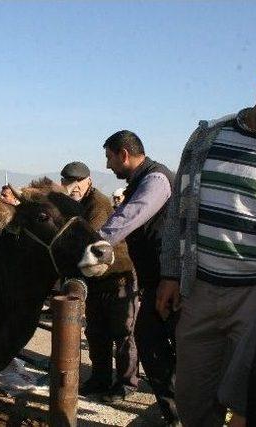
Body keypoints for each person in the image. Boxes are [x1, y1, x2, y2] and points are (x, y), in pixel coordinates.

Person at [157, 54, 256, 427]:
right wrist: (170, 273)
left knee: (253, 400)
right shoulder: (208, 138)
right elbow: (179, 213)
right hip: (199, 291)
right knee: (192, 397)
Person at [99, 131, 178, 425]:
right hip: (155, 282)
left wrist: (96, 243)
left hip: (170, 283)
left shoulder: (155, 180)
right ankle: (174, 412)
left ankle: (184, 412)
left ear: (124, 154)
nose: (107, 166)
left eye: (109, 157)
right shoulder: (142, 181)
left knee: (167, 347)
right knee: (151, 344)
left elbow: (130, 216)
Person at [60, 161, 140, 402]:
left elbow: (88, 243)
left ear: (89, 181)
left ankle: (126, 384)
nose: (73, 187)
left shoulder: (98, 204)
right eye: (68, 182)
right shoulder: (72, 205)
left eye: (78, 182)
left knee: (123, 334)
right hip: (94, 280)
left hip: (118, 277)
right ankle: (100, 378)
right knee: (96, 333)